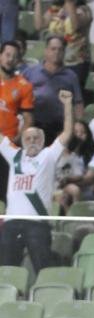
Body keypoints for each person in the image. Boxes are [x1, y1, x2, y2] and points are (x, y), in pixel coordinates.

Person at [0, 90, 73, 273]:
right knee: (6, 269)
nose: (32, 141)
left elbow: (68, 132)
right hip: (11, 223)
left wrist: (67, 105)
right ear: (22, 141)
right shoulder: (14, 155)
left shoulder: (48, 156)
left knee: (43, 268)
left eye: (36, 138)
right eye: (28, 138)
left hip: (37, 223)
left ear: (43, 141)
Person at [22, 34, 84, 145]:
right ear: (46, 51)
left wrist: (77, 123)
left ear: (64, 53)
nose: (56, 52)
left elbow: (78, 103)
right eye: (53, 49)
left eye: (60, 49)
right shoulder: (30, 72)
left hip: (59, 127)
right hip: (33, 124)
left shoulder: (71, 76)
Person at [0, 40, 34, 202]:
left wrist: (18, 139)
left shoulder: (24, 86)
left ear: (18, 60)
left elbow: (28, 118)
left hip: (8, 145)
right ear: (0, 56)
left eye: (14, 57)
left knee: (5, 190)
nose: (10, 59)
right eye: (7, 55)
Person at [34, 0, 93, 88]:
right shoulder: (56, 9)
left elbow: (75, 25)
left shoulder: (84, 10)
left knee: (70, 97)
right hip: (57, 62)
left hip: (76, 63)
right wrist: (37, 2)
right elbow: (39, 25)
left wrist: (69, 3)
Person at [55, 119, 94, 211]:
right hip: (60, 186)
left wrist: (65, 181)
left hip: (85, 189)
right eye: (75, 132)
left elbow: (88, 179)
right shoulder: (60, 152)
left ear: (88, 135)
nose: (79, 135)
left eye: (83, 132)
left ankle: (75, 218)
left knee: (73, 190)